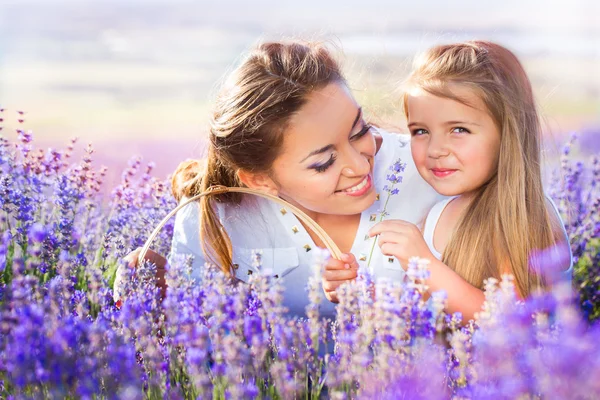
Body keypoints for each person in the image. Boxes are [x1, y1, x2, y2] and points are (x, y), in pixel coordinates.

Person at [115, 40, 442, 317]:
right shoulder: (216, 220)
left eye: (359, 131)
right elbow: (196, 335)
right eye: (324, 162)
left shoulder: (429, 173)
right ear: (259, 181)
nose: (358, 165)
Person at [367, 41, 573, 322]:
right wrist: (362, 295)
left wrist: (424, 265)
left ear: (507, 134)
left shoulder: (527, 215)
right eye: (421, 131)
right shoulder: (437, 214)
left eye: (459, 129)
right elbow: (425, 313)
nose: (436, 149)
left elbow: (513, 323)